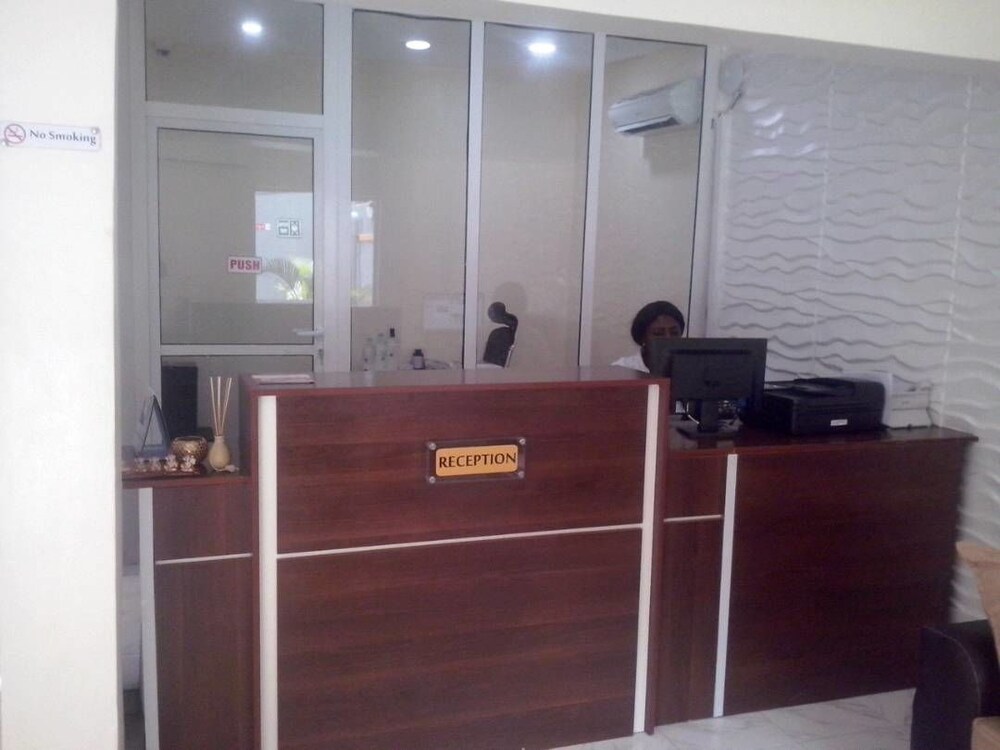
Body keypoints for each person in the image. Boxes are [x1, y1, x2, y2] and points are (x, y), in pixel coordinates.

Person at [612, 300, 686, 372]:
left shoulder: (688, 367)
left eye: (674, 333)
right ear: (642, 337)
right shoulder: (622, 368)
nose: (668, 338)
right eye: (658, 333)